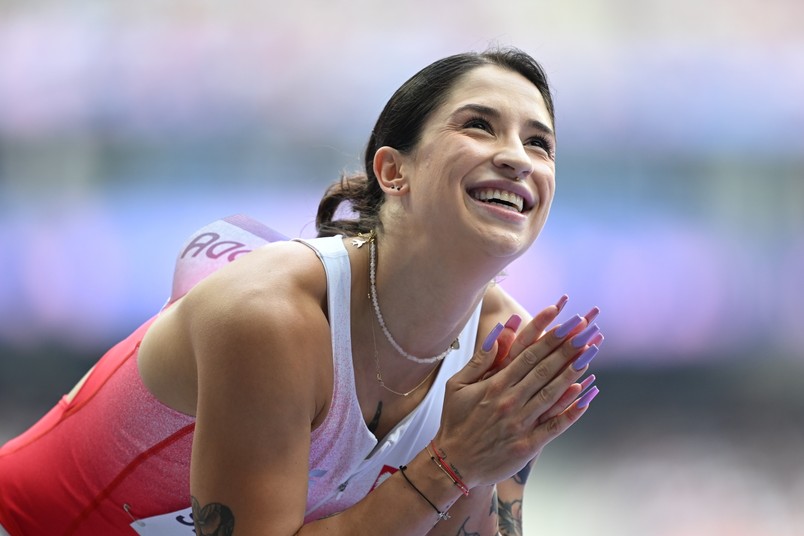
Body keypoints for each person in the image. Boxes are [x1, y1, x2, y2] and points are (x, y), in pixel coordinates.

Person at [0, 46, 604, 536]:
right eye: (479, 125)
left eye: (539, 143)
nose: (518, 159)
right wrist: (451, 465)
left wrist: (470, 472)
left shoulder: (508, 351)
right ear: (393, 171)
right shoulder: (271, 317)